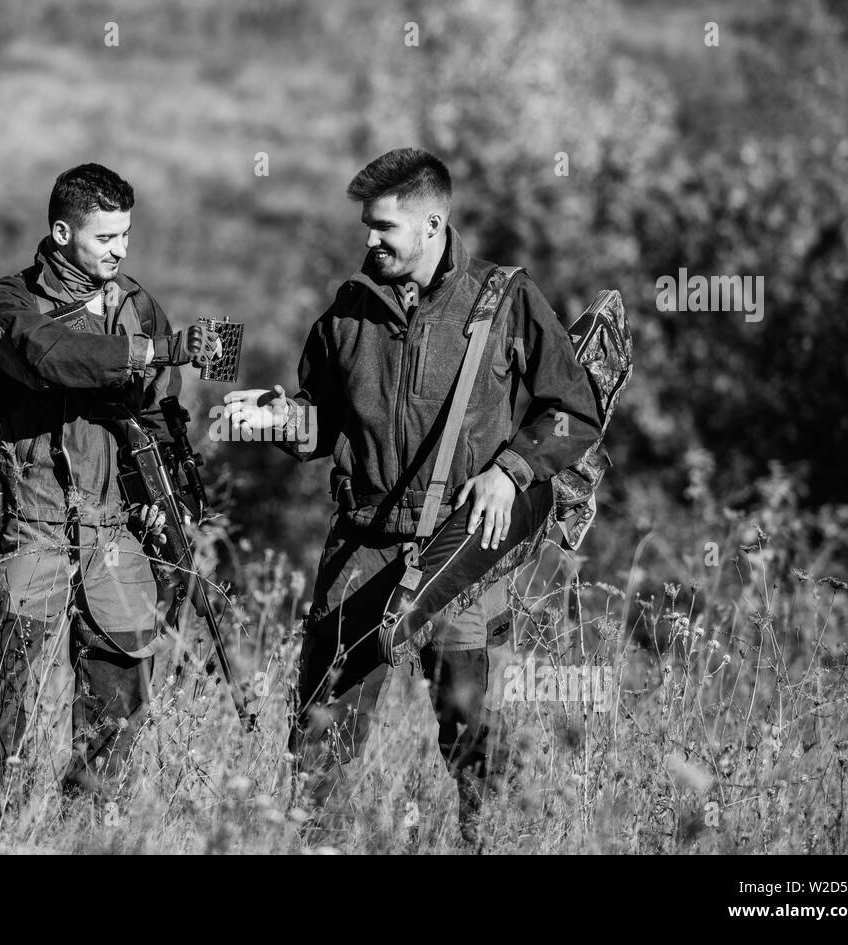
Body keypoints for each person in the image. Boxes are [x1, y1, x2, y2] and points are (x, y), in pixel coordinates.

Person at [224, 148, 602, 843]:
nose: (369, 240)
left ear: (432, 222)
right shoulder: (347, 312)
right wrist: (277, 420)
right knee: (321, 730)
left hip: (463, 553)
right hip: (362, 546)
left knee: (476, 736)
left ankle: (486, 845)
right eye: (366, 225)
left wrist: (513, 467)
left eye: (384, 227)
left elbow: (574, 412)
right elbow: (321, 425)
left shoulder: (508, 300)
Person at [0, 163, 219, 810]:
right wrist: (155, 350)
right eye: (107, 237)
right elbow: (50, 357)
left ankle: (87, 822)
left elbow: (161, 412)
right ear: (63, 231)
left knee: (125, 674)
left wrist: (170, 500)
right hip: (34, 522)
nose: (121, 249)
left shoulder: (136, 304)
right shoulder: (6, 302)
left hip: (113, 528)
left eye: (126, 234)